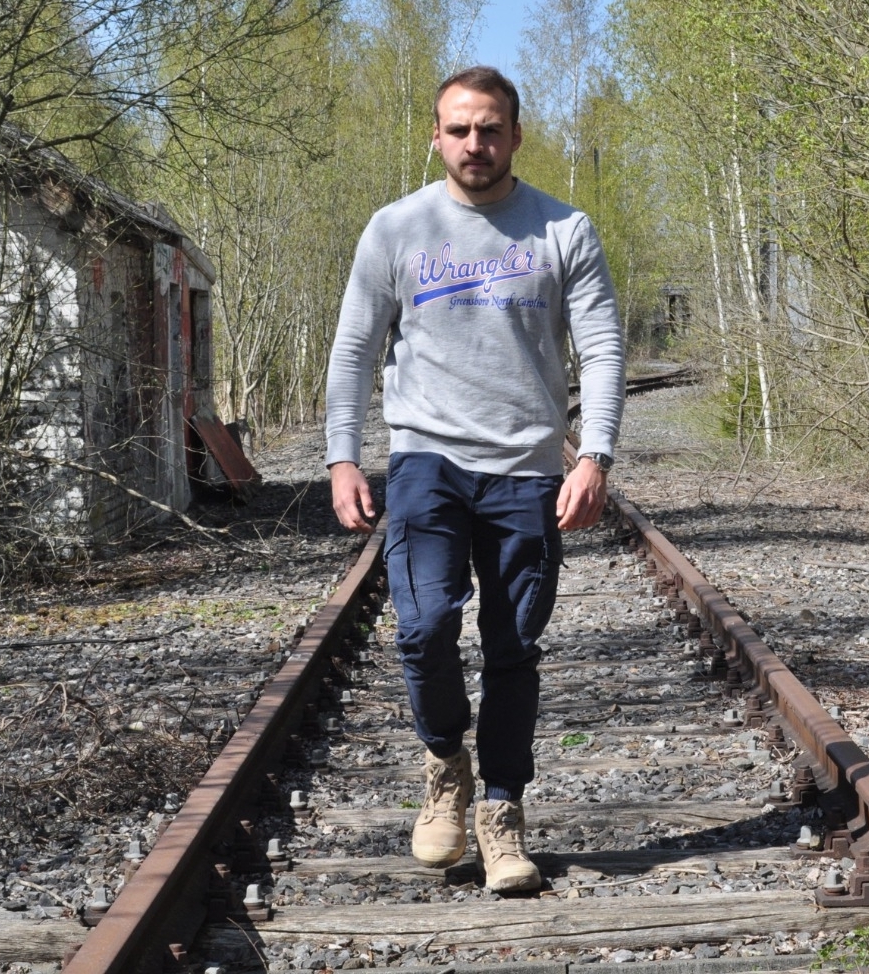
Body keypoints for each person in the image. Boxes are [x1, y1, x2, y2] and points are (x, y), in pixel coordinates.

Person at [325, 66, 625, 893]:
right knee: (423, 628)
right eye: (458, 129)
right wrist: (342, 456)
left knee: (512, 645)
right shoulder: (397, 227)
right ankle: (445, 764)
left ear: (515, 136)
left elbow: (603, 349)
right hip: (427, 459)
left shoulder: (563, 230)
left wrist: (594, 455)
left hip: (526, 467)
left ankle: (500, 810)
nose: (475, 143)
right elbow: (354, 349)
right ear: (436, 137)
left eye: (490, 128)